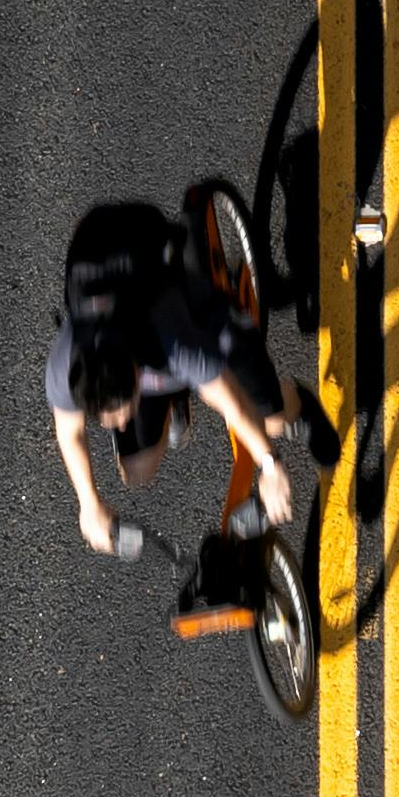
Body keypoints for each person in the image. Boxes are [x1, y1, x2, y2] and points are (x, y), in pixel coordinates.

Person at [44, 197, 298, 559]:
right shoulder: (65, 364)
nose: (117, 423)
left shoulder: (174, 342)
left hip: (173, 290)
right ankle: (175, 398)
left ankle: (299, 404)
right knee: (136, 472)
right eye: (106, 419)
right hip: (111, 262)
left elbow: (230, 406)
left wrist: (271, 465)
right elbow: (69, 431)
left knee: (271, 420)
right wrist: (89, 503)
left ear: (138, 375)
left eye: (121, 411)